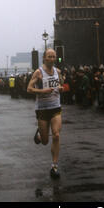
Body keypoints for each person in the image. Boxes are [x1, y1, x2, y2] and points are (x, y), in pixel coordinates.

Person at [27, 48, 63, 178]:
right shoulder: (38, 72)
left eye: (54, 57)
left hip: (55, 107)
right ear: (44, 58)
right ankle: (39, 136)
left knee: (57, 135)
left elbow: (61, 85)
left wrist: (60, 88)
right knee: (45, 141)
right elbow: (29, 89)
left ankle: (54, 166)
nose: (52, 59)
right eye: (49, 56)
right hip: (42, 109)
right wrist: (43, 91)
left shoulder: (58, 72)